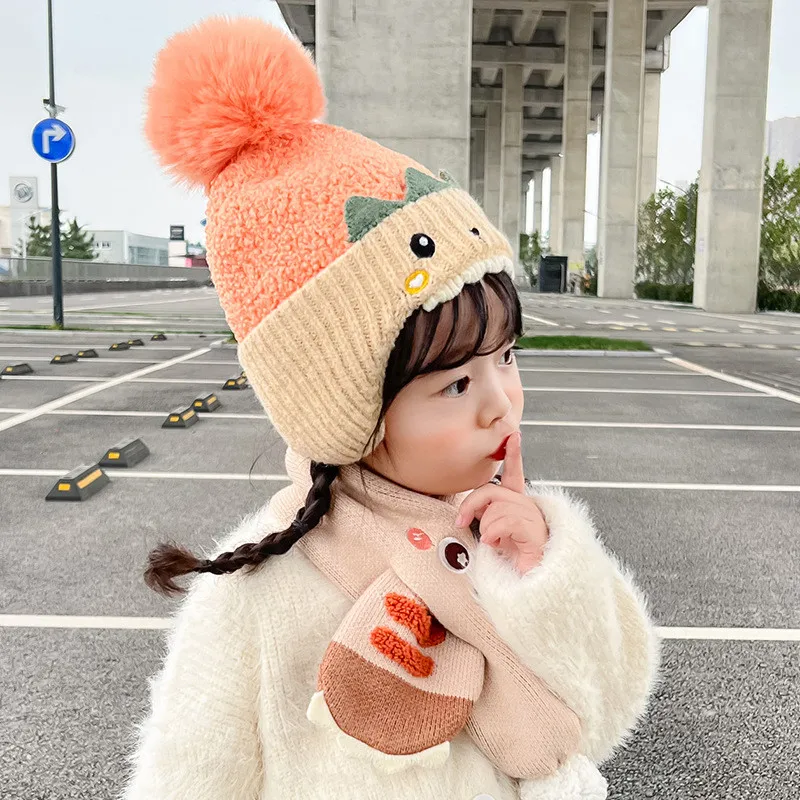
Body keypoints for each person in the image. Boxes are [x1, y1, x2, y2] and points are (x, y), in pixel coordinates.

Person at [122, 17, 660, 800]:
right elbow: (187, 780)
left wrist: (545, 568)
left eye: (506, 359)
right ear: (348, 410)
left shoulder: (504, 538)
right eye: (455, 384)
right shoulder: (258, 596)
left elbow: (604, 712)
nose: (501, 403)